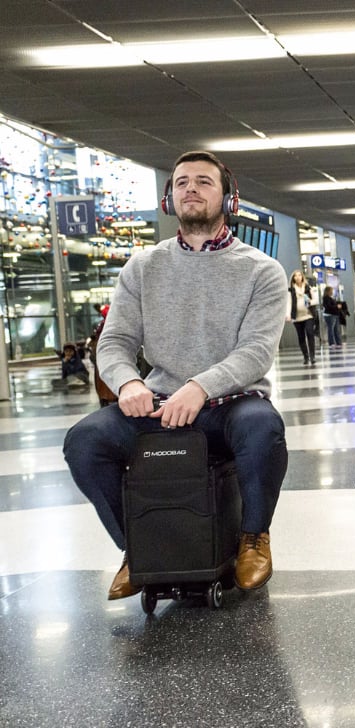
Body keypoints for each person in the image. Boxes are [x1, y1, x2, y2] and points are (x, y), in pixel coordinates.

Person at [63, 150, 289, 600]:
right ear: (169, 200)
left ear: (229, 199)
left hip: (230, 405)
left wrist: (201, 386)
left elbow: (256, 352)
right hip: (160, 403)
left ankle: (253, 538)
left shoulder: (262, 270)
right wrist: (128, 382)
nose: (191, 189)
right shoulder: (143, 268)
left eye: (204, 182)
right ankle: (138, 549)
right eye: (181, 182)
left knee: (264, 429)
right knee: (84, 442)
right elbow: (114, 342)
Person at [288, 269, 316, 366]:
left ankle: (312, 356)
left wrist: (310, 302)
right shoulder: (291, 290)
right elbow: (289, 303)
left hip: (308, 315)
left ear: (302, 277)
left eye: (299, 275)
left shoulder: (308, 288)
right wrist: (288, 315)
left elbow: (315, 300)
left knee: (310, 333)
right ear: (293, 278)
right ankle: (306, 356)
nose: (298, 277)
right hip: (297, 317)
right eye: (295, 276)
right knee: (301, 337)